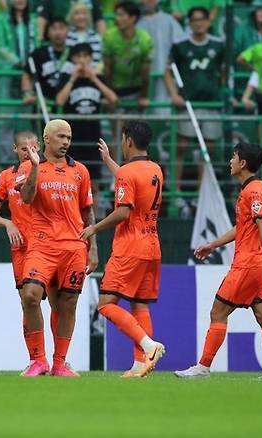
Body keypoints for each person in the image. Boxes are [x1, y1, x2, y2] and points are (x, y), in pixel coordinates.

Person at [175, 142, 262, 379]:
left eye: (234, 157)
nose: (230, 161)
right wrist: (214, 244)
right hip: (255, 263)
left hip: (248, 264)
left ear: (243, 163)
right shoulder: (254, 189)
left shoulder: (253, 191)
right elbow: (244, 227)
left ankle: (203, 367)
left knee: (218, 311)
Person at [80, 122, 165, 378]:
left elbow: (123, 211)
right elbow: (132, 183)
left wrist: (94, 228)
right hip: (152, 245)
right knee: (140, 305)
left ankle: (149, 346)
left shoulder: (128, 173)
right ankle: (141, 363)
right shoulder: (155, 169)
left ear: (128, 140)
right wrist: (109, 161)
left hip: (130, 247)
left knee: (106, 305)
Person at [14, 119, 99, 377]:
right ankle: (38, 360)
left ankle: (60, 363)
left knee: (68, 304)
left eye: (69, 138)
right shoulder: (28, 166)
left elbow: (87, 210)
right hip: (42, 244)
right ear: (46, 139)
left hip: (74, 246)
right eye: (61, 137)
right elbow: (26, 198)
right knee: (30, 294)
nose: (65, 142)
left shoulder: (80, 171)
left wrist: (93, 248)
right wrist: (37, 169)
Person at [0, 131, 60, 374]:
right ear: (15, 149)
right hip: (22, 247)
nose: (28, 152)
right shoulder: (7, 176)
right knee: (27, 302)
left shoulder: (49, 171)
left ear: (39, 147)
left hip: (49, 245)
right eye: (23, 149)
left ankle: (60, 360)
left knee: (59, 303)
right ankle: (37, 359)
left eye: (32, 148)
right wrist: (8, 223)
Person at [164, 6, 224, 195]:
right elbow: (167, 71)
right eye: (195, 20)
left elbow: (224, 71)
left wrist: (219, 89)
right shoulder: (180, 46)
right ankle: (176, 192)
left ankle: (202, 193)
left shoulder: (218, 45)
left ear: (208, 22)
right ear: (190, 23)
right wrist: (174, 94)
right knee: (181, 147)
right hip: (188, 104)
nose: (199, 23)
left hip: (210, 104)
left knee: (209, 150)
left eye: (202, 19)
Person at [56, 43, 117, 198]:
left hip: (93, 136)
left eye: (85, 56)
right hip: (72, 138)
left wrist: (94, 78)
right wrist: (72, 78)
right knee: (72, 184)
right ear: (72, 59)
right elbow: (60, 101)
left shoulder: (98, 77)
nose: (82, 61)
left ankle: (93, 222)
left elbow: (113, 98)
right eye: (78, 57)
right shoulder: (66, 77)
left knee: (93, 185)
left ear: (91, 58)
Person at [0, 0, 36, 159]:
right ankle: (6, 163)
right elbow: (0, 46)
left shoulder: (31, 20)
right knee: (6, 121)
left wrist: (29, 64)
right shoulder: (1, 19)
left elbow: (35, 43)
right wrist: (18, 61)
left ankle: (29, 164)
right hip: (7, 73)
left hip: (27, 75)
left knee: (25, 121)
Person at [137, 0, 186, 115]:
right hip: (141, 80)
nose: (149, 1)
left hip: (167, 79)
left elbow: (181, 45)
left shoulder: (169, 20)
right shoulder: (135, 22)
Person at [102, 1, 153, 110]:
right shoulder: (109, 37)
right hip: (115, 91)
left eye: (121, 15)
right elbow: (107, 69)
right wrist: (109, 94)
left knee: (135, 127)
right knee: (116, 127)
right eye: (116, 14)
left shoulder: (144, 39)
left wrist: (144, 96)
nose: (117, 18)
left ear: (133, 18)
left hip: (136, 91)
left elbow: (145, 72)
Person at [21, 16, 72, 106]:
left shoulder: (75, 53)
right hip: (43, 105)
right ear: (47, 32)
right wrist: (28, 93)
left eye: (61, 28)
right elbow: (27, 75)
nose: (58, 32)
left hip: (69, 105)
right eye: (54, 29)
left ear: (68, 31)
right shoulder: (38, 53)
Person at [37, 0, 106, 40]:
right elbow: (42, 19)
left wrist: (102, 40)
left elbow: (99, 21)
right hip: (63, 40)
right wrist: (40, 38)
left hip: (89, 39)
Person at [66, 1, 103, 71]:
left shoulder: (96, 37)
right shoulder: (66, 36)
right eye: (77, 13)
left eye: (84, 13)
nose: (81, 17)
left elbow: (99, 61)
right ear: (72, 16)